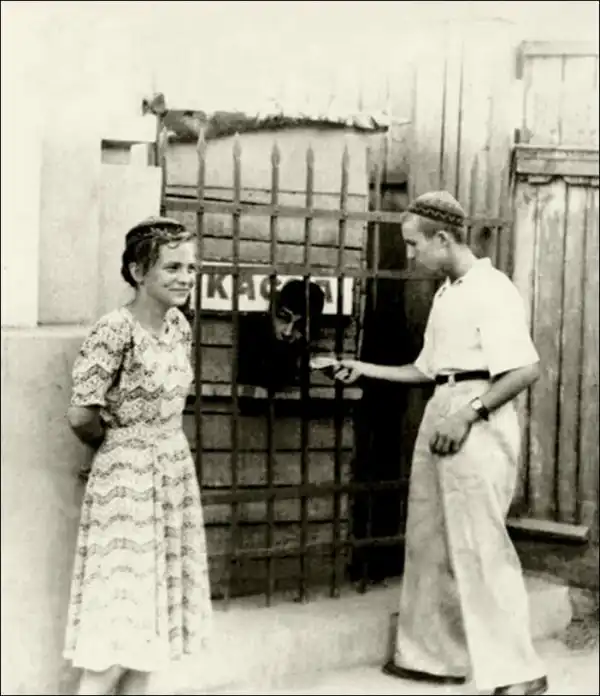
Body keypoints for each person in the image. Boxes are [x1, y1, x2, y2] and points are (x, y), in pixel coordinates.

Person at [332, 191, 548, 696]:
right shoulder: (447, 293)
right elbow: (426, 370)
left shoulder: (492, 289)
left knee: (480, 545)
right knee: (429, 539)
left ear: (444, 238)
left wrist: (469, 414)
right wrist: (363, 369)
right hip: (443, 407)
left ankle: (519, 672)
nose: (411, 255)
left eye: (414, 244)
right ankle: (433, 658)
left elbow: (525, 369)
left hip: (477, 415)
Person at [64, 217, 212, 695]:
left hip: (171, 476)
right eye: (172, 267)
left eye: (190, 268)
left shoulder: (179, 325)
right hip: (126, 484)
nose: (185, 277)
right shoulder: (114, 329)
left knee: (150, 639)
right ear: (137, 271)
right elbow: (81, 415)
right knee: (117, 633)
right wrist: (120, 448)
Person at [237, 278, 326, 391]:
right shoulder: (249, 334)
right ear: (272, 312)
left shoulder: (305, 348)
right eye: (283, 318)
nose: (288, 332)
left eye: (299, 325)